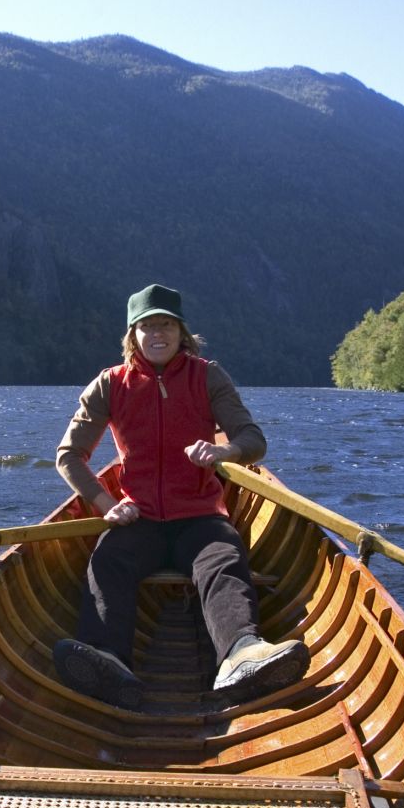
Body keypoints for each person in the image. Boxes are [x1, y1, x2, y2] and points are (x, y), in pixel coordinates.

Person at [52, 283, 309, 710]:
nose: (158, 334)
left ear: (181, 331)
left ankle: (240, 654)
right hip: (141, 517)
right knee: (108, 558)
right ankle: (106, 658)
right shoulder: (109, 385)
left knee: (223, 560)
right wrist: (105, 505)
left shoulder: (208, 375)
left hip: (199, 514)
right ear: (132, 334)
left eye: (166, 325)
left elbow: (253, 439)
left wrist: (224, 451)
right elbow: (69, 456)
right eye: (147, 325)